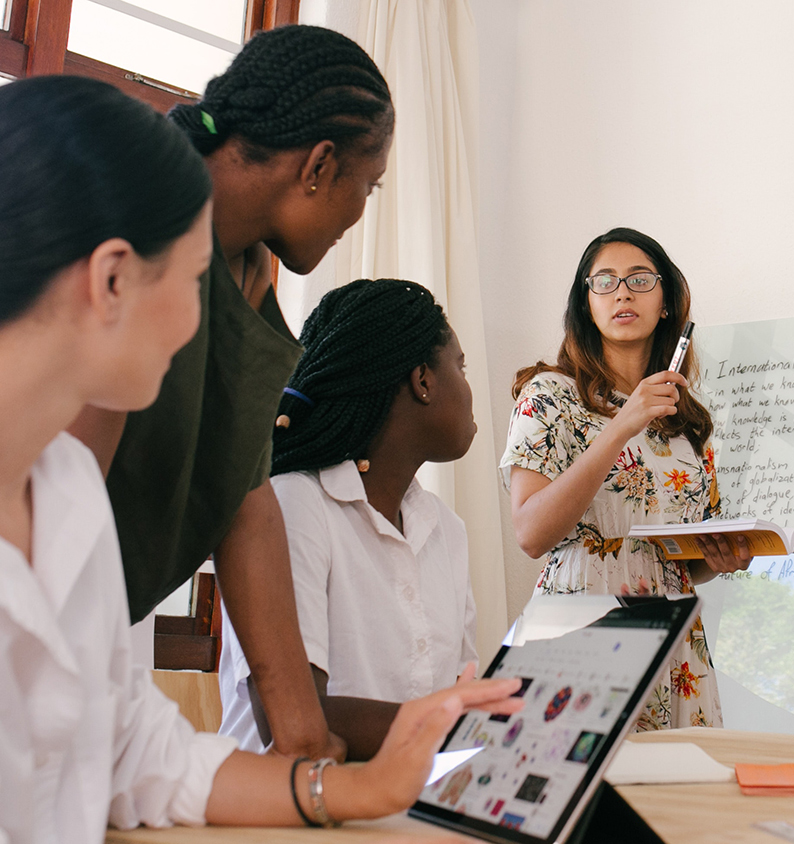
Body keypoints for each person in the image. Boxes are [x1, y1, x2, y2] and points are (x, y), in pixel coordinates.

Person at [0, 74, 520, 843]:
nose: (206, 324)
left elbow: (144, 754)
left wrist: (362, 784)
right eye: (189, 282)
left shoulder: (71, 492)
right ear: (112, 280)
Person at [67, 24, 395, 761]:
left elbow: (246, 504)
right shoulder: (141, 216)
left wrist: (305, 738)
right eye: (366, 187)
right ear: (318, 166)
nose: (359, 214)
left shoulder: (246, 273)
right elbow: (64, 493)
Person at [219, 279, 481, 762]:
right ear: (423, 380)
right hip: (279, 817)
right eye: (460, 366)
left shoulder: (446, 528)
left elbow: (461, 692)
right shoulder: (294, 505)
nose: (469, 388)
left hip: (399, 807)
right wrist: (463, 723)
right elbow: (290, 720)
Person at [502, 227, 752, 730]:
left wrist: (718, 561)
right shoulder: (549, 395)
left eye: (640, 279)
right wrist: (621, 425)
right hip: (583, 621)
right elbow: (531, 534)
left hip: (673, 633)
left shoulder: (688, 421)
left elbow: (678, 558)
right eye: (605, 282)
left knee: (673, 798)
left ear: (665, 303)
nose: (622, 292)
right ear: (586, 304)